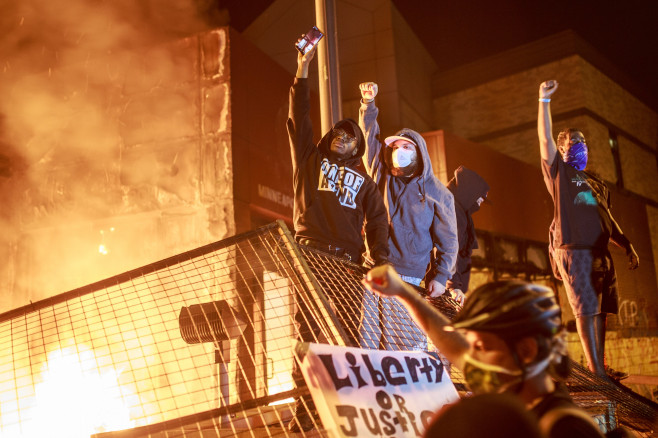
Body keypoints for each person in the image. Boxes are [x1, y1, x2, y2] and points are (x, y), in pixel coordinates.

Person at [362, 265, 605, 438]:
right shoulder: (511, 386)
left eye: (480, 347)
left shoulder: (564, 429)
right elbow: (451, 341)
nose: (469, 358)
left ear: (527, 350)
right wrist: (402, 293)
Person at [286, 40, 389, 432]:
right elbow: (301, 113)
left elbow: (378, 220)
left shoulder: (363, 180)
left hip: (347, 263)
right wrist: (302, 68)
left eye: (350, 136)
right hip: (310, 253)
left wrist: (378, 258)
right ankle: (304, 415)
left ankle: (342, 413)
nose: (342, 139)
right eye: (337, 134)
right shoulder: (310, 160)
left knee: (345, 337)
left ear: (357, 146)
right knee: (309, 335)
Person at [537, 80, 639, 379]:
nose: (579, 146)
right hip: (575, 250)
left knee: (603, 310)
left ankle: (600, 366)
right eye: (573, 141)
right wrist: (543, 101)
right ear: (562, 147)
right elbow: (544, 140)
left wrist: (627, 245)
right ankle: (596, 372)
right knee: (587, 308)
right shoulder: (560, 174)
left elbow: (609, 218)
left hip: (601, 252)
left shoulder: (597, 183)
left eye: (583, 142)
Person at [358, 81, 458, 350]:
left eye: (406, 147)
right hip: (373, 267)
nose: (398, 153)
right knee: (367, 342)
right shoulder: (383, 176)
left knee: (405, 346)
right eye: (395, 147)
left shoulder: (438, 193)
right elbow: (369, 139)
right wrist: (368, 105)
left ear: (420, 152)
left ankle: (411, 391)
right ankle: (374, 390)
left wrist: (440, 276)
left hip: (409, 278)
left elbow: (448, 243)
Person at [444, 165, 490, 302]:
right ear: (469, 192)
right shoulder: (453, 213)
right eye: (479, 198)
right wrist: (453, 285)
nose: (480, 204)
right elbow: (448, 248)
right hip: (448, 290)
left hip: (452, 289)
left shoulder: (460, 214)